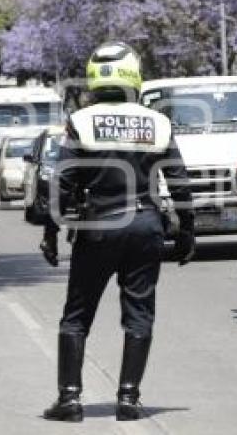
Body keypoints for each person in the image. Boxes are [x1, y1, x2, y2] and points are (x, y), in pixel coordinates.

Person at [43, 42, 195, 423]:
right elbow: (179, 182)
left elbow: (60, 182)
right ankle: (128, 399)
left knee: (76, 315)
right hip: (145, 225)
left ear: (95, 79)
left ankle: (69, 399)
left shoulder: (81, 120)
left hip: (97, 226)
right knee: (139, 313)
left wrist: (50, 232)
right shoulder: (157, 122)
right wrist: (187, 232)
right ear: (134, 77)